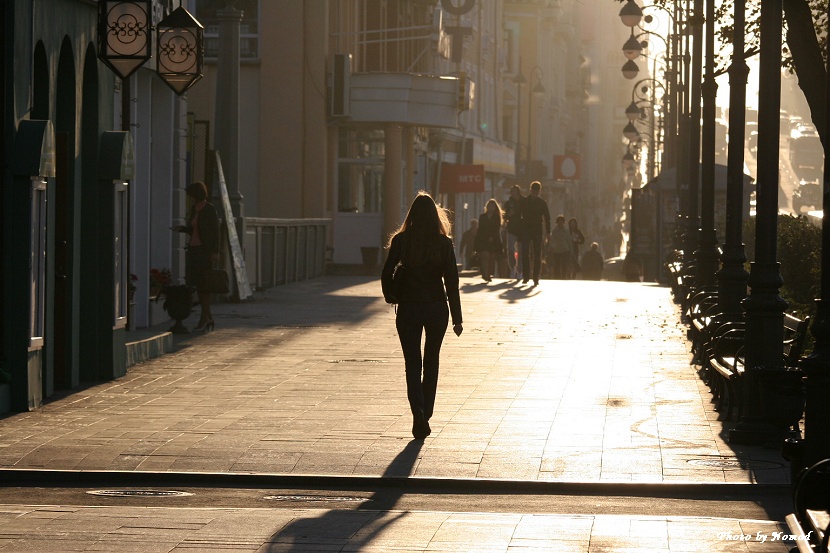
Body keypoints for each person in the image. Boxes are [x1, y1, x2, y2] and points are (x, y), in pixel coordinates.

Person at [381, 192, 463, 440]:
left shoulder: (401, 240)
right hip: (436, 307)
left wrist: (391, 296)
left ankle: (417, 414)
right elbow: (451, 281)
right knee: (432, 362)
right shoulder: (443, 243)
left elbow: (386, 273)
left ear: (413, 215)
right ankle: (426, 412)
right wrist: (458, 318)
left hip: (408, 308)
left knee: (412, 364)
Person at [173, 181, 220, 331]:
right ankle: (208, 317)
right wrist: (182, 229)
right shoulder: (194, 209)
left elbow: (215, 232)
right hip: (193, 250)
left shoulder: (209, 209)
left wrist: (215, 252)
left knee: (203, 285)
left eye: (192, 195)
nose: (191, 198)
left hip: (204, 251)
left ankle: (204, 318)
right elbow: (193, 229)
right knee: (198, 284)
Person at [520, 181, 551, 285]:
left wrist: (548, 232)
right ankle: (526, 276)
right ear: (531, 190)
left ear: (539, 191)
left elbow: (547, 218)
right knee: (525, 253)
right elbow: (519, 215)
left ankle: (536, 277)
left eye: (537, 191)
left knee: (537, 254)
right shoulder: (524, 201)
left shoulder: (542, 203)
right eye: (534, 191)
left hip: (537, 230)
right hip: (526, 229)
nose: (535, 193)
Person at [474, 199, 504, 282]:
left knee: (491, 258)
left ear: (495, 208)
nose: (490, 208)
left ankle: (489, 273)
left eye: (492, 206)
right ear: (487, 207)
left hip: (493, 240)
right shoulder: (482, 217)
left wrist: (492, 237)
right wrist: (477, 241)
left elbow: (496, 229)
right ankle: (485, 274)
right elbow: (480, 229)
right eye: (489, 206)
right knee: (485, 257)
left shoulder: (496, 217)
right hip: (483, 239)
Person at [503, 185, 525, 280]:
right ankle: (512, 268)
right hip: (511, 229)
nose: (513, 193)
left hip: (521, 229)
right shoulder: (508, 203)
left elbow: (527, 213)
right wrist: (508, 215)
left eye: (515, 191)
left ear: (518, 192)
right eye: (512, 191)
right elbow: (505, 215)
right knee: (510, 249)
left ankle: (520, 271)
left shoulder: (524, 202)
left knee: (520, 251)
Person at [548, 215, 572, 280]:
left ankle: (564, 276)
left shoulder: (566, 231)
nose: (560, 223)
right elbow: (552, 240)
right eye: (559, 221)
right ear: (557, 222)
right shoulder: (554, 231)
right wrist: (550, 248)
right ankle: (557, 277)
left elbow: (569, 240)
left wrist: (570, 250)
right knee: (557, 265)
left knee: (564, 265)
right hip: (557, 250)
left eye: (562, 221)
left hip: (565, 249)